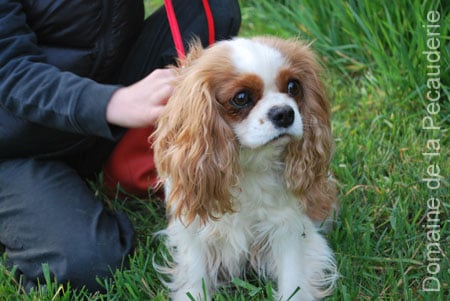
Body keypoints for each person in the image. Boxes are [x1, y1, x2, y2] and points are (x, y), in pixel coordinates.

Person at [0, 0, 241, 292]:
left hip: (103, 97)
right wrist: (112, 103)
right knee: (90, 266)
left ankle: (138, 162)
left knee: (210, 7)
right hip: (14, 146)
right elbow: (9, 71)